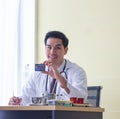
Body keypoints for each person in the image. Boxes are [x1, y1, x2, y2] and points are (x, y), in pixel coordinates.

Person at [8, 31, 87, 105]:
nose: (52, 52)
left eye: (57, 48)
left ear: (65, 50)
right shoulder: (38, 72)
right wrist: (18, 100)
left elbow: (81, 99)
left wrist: (60, 78)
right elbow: (27, 97)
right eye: (49, 47)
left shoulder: (77, 71)